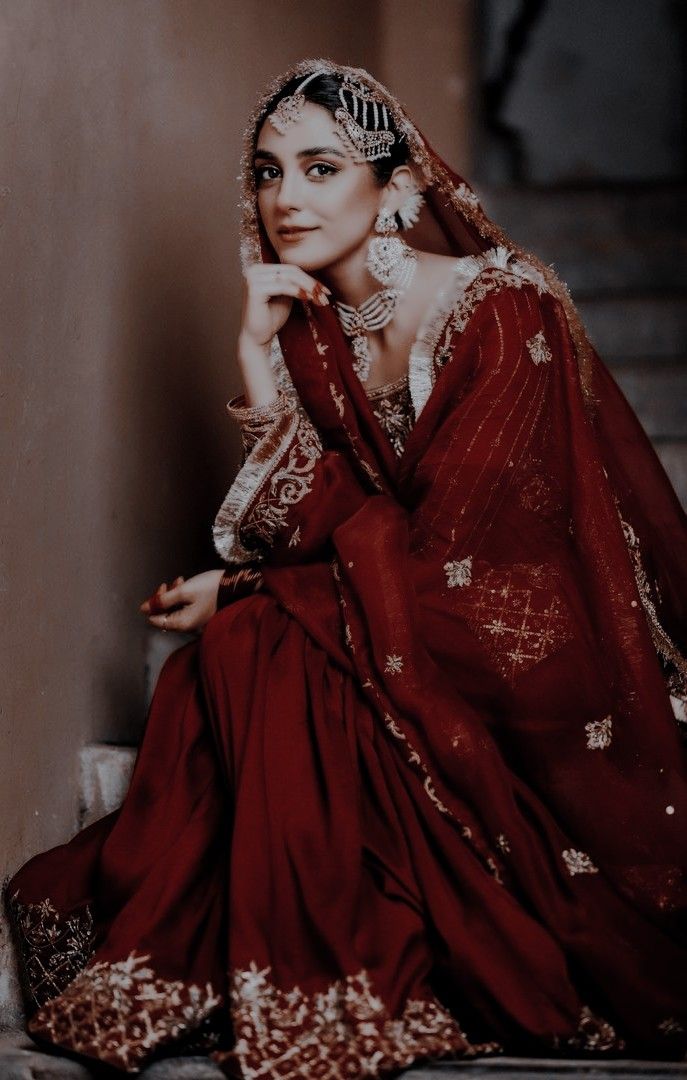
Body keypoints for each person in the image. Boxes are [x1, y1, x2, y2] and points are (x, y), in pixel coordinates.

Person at [5, 58, 687, 1079]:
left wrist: (246, 588)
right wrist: (250, 357)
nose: (286, 198)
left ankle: (333, 964)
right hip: (411, 615)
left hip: (524, 641)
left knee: (263, 639)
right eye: (270, 172)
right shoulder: (313, 330)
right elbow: (344, 537)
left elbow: (454, 563)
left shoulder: (504, 310)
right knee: (248, 653)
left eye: (322, 168)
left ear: (398, 184)